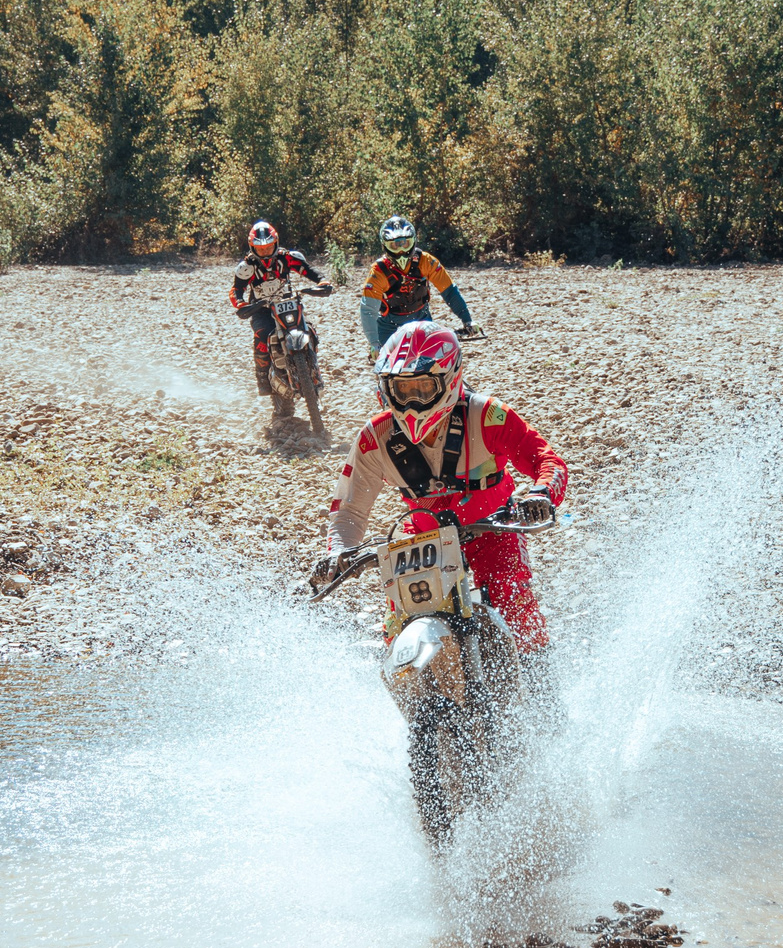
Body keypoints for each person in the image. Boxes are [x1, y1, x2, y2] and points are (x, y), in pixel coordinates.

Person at [312, 319, 567, 649]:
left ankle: (538, 671)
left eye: (422, 388)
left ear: (449, 379)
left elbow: (547, 461)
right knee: (398, 626)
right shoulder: (375, 437)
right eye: (401, 390)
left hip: (495, 529)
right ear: (385, 388)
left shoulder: (488, 415)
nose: (411, 402)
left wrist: (542, 494)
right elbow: (349, 511)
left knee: (516, 609)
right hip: (422, 537)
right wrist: (338, 552)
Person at [229, 218, 332, 414]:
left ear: (275, 243)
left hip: (288, 303)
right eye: (261, 249)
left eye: (269, 247)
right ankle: (263, 378)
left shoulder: (288, 258)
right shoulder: (246, 267)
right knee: (262, 334)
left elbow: (309, 271)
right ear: (252, 248)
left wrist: (322, 281)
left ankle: (312, 367)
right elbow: (236, 290)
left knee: (309, 329)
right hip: (261, 309)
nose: (265, 252)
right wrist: (240, 304)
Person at [357, 215, 477, 357]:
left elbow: (449, 291)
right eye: (394, 245)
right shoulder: (378, 271)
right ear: (385, 246)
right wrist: (374, 343)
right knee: (386, 367)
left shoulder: (426, 261)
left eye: (405, 244)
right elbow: (368, 310)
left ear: (413, 241)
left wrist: (467, 320)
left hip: (422, 322)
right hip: (389, 327)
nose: (401, 251)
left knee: (436, 362)